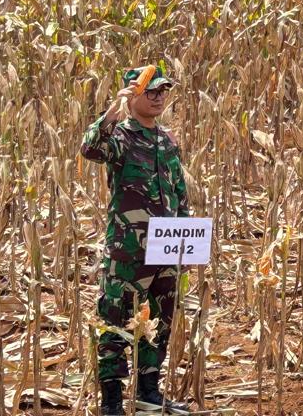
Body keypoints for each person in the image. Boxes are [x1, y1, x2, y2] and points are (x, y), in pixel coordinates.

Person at [80, 65, 191, 415]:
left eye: (163, 91)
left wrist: (186, 242)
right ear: (133, 95)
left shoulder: (168, 140)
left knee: (160, 321)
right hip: (128, 249)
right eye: (151, 91)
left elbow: (179, 193)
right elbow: (90, 148)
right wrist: (113, 109)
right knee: (115, 321)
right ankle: (111, 400)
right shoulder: (121, 137)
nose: (159, 96)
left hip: (167, 248)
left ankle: (148, 392)